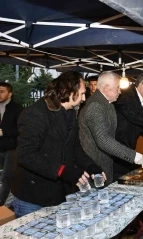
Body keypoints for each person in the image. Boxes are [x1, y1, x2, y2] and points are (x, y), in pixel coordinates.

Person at [12, 71, 105, 218]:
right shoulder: (36, 113)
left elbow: (75, 147)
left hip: (59, 194)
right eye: (81, 94)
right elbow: (26, 154)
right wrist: (62, 171)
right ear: (67, 91)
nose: (84, 98)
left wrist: (90, 166)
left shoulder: (71, 114)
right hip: (33, 197)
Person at [79, 71, 143, 183]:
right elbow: (103, 140)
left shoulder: (106, 103)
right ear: (106, 87)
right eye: (117, 87)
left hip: (104, 164)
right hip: (95, 167)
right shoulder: (95, 106)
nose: (120, 91)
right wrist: (132, 155)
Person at [114, 73, 143, 173]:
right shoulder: (126, 96)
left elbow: (142, 127)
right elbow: (136, 117)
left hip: (128, 146)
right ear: (140, 85)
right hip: (118, 147)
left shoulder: (142, 101)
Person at [0, 82, 23, 206]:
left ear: (10, 94)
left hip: (12, 148)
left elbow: (21, 129)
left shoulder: (17, 109)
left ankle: (1, 203)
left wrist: (4, 132)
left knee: (6, 177)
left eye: (2, 91)